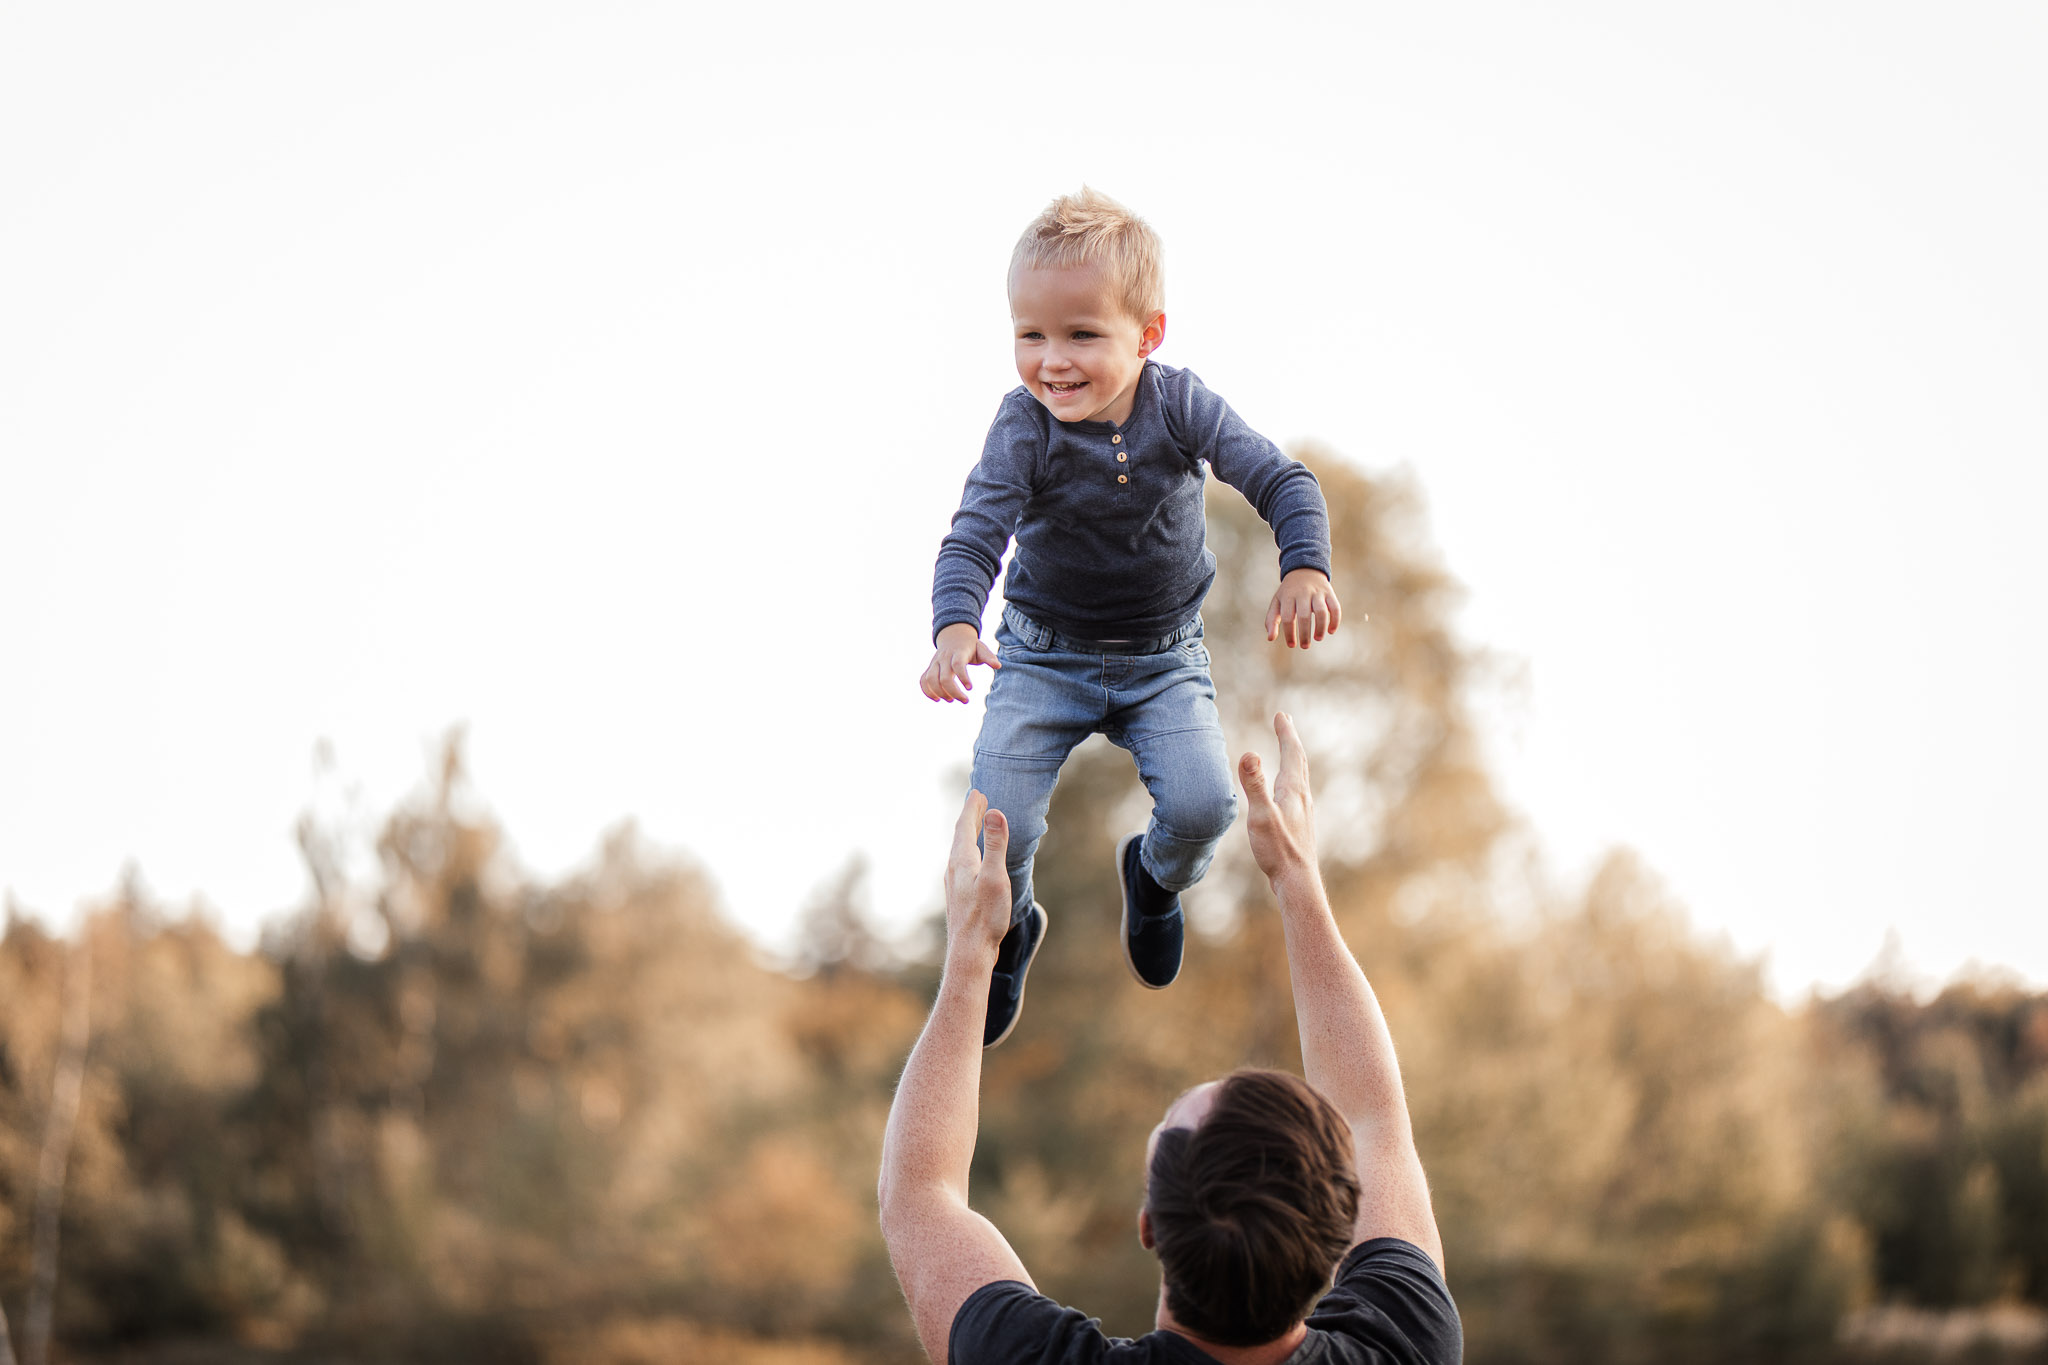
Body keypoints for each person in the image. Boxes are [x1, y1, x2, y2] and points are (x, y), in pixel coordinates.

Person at [879, 714, 1461, 1365]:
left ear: (1148, 1225)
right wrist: (1296, 878)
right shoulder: (1406, 1346)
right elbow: (1375, 1119)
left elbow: (920, 1190)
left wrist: (970, 951)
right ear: (1345, 1221)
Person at [922, 188, 1344, 1048]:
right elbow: (974, 535)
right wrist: (955, 627)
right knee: (996, 828)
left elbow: (1283, 481)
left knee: (1203, 808)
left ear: (1148, 335)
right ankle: (1010, 932)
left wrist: (1303, 564)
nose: (1052, 361)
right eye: (1029, 336)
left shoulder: (1179, 406)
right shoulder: (1023, 429)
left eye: (1082, 335)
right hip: (1042, 658)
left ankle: (1152, 882)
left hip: (1163, 660)